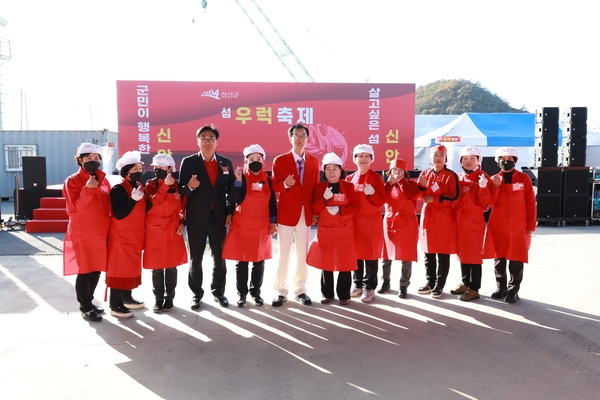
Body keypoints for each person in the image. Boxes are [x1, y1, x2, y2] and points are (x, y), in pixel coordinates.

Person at [179, 125, 243, 309]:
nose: (207, 141)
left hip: (219, 217)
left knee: (219, 257)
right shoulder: (188, 162)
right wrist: (190, 186)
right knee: (196, 258)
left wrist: (230, 212)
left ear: (216, 141)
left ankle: (218, 292)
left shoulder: (225, 162)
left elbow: (231, 192)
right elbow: (181, 191)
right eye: (204, 138)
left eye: (211, 138)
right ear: (197, 141)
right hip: (196, 217)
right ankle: (196, 294)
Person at [222, 144, 278, 307]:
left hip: (262, 225)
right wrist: (238, 182)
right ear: (246, 161)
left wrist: (273, 222)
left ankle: (256, 292)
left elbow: (272, 203)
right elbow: (233, 199)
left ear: (264, 161)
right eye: (251, 159)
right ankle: (242, 294)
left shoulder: (267, 179)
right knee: (243, 261)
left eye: (258, 159)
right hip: (243, 224)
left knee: (259, 261)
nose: (255, 161)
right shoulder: (240, 177)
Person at [271, 124, 320, 307]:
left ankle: (300, 290)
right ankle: (281, 290)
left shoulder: (314, 162)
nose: (300, 138)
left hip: (305, 213)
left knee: (302, 252)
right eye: (296, 135)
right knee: (283, 253)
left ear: (307, 139)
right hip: (286, 213)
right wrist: (285, 183)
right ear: (290, 138)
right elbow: (274, 186)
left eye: (303, 135)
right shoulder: (280, 160)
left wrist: (315, 213)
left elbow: (316, 189)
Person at [63, 143, 111, 322]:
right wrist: (88, 190)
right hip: (83, 233)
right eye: (88, 158)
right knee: (85, 270)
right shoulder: (73, 181)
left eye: (96, 158)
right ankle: (85, 306)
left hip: (101, 231)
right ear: (80, 160)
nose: (93, 161)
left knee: (96, 268)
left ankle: (90, 302)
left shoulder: (103, 179)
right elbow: (74, 209)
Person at [483, 147, 536, 304]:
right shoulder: (493, 179)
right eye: (502, 158)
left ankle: (513, 291)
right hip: (498, 223)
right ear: (497, 161)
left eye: (510, 159)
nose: (506, 161)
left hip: (519, 224)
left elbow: (531, 203)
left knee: (516, 258)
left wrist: (531, 224)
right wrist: (496, 187)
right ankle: (501, 288)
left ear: (515, 161)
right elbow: (490, 202)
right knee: (499, 257)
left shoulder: (524, 179)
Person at [307, 153, 359, 305]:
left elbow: (355, 207)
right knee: (327, 261)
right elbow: (315, 208)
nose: (331, 172)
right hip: (326, 229)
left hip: (344, 229)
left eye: (334, 168)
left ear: (340, 170)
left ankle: (344, 294)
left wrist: (340, 211)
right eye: (328, 169)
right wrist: (324, 198)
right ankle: (327, 293)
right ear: (324, 171)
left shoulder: (349, 187)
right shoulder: (319, 188)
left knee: (345, 261)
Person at [107, 150, 150, 318]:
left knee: (130, 268)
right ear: (126, 171)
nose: (139, 171)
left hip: (135, 235)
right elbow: (118, 213)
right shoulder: (119, 189)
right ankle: (115, 305)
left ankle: (126, 297)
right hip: (121, 236)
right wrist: (133, 200)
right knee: (119, 270)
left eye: (140, 167)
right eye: (135, 168)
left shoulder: (138, 187)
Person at [143, 154, 188, 313]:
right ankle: (158, 298)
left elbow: (183, 207)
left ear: (170, 168)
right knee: (157, 267)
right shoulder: (150, 184)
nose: (157, 170)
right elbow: (153, 202)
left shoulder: (177, 186)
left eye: (161, 167)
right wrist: (164, 187)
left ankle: (170, 298)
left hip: (173, 228)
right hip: (155, 229)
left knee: (171, 266)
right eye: (155, 167)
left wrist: (182, 222)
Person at [416, 145, 459, 299]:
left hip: (444, 219)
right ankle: (429, 281)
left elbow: (455, 198)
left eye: (441, 155)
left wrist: (435, 199)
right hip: (428, 217)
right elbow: (419, 196)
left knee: (443, 253)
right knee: (428, 252)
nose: (438, 158)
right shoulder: (425, 173)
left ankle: (439, 285)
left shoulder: (451, 175)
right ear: (430, 158)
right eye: (435, 155)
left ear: (446, 158)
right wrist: (421, 186)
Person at [449, 146, 491, 301]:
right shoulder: (458, 177)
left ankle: (474, 288)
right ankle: (465, 283)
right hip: (459, 221)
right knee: (462, 253)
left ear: (478, 160)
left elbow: (486, 202)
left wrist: (483, 187)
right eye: (465, 159)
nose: (468, 162)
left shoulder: (483, 177)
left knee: (473, 255)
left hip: (474, 222)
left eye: (472, 158)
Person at [346, 144, 385, 303]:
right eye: (359, 156)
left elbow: (381, 201)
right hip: (354, 221)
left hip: (371, 222)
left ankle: (369, 287)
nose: (363, 159)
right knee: (356, 254)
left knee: (370, 255)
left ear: (371, 160)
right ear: (354, 159)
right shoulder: (350, 178)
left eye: (366, 156)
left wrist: (373, 194)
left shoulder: (376, 178)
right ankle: (357, 284)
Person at [380, 158, 419, 299]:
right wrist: (389, 183)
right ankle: (385, 282)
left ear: (406, 172)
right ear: (389, 171)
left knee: (406, 257)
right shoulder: (387, 185)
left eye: (400, 170)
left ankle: (403, 285)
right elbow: (380, 199)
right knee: (386, 256)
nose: (397, 173)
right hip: (390, 222)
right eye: (394, 170)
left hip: (407, 224)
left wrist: (400, 181)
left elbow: (411, 194)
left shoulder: (411, 184)